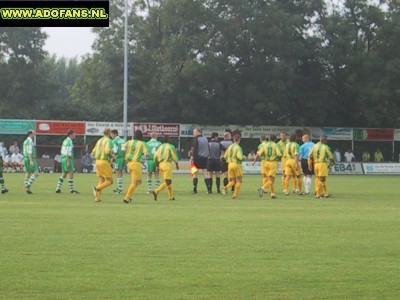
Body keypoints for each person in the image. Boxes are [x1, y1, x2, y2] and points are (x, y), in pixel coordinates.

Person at [123, 130, 148, 204]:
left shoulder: (128, 142)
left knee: (139, 181)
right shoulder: (142, 143)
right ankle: (127, 197)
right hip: (136, 163)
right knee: (135, 182)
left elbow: (122, 149)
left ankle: (129, 195)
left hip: (129, 163)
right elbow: (146, 154)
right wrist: (143, 159)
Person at [254, 134, 282, 199]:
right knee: (271, 180)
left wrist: (254, 161)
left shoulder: (265, 145)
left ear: (269, 139)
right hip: (273, 163)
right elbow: (279, 154)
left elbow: (259, 153)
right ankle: (262, 188)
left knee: (269, 179)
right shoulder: (275, 145)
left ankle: (272, 194)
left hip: (266, 163)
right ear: (275, 139)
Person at [151, 136, 179, 201]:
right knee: (168, 181)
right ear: (169, 140)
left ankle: (171, 197)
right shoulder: (171, 146)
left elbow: (155, 157)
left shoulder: (160, 147)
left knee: (167, 182)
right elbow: (174, 156)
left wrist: (158, 166)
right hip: (167, 164)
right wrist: (176, 164)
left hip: (161, 165)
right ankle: (156, 191)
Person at [92, 128, 114, 202]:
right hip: (104, 161)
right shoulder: (108, 141)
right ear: (109, 133)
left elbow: (93, 151)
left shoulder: (99, 140)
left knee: (101, 179)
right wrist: (113, 157)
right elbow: (107, 151)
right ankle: (96, 188)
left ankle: (97, 198)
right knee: (110, 181)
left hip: (97, 161)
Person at [55, 129, 80, 194]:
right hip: (68, 158)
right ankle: (72, 190)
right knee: (71, 174)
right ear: (71, 134)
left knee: (64, 174)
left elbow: (62, 150)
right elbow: (68, 152)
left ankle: (58, 188)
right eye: (74, 134)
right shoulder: (69, 142)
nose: (75, 135)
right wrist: (68, 161)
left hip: (63, 158)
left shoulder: (65, 141)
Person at [222, 134, 244, 199]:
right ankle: (235, 195)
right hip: (236, 164)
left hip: (230, 164)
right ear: (239, 140)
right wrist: (243, 157)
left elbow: (225, 156)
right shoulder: (238, 147)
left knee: (232, 181)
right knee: (239, 180)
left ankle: (225, 187)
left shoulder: (230, 147)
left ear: (233, 140)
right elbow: (239, 157)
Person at [190, 128, 210, 194]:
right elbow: (208, 148)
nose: (193, 133)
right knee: (205, 173)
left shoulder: (196, 139)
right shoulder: (205, 139)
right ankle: (209, 189)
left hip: (197, 158)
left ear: (198, 132)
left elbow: (195, 149)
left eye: (194, 132)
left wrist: (192, 157)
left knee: (195, 173)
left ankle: (194, 189)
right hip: (205, 158)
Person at [110, 130, 126, 194]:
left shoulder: (114, 141)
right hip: (123, 157)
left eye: (111, 134)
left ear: (115, 134)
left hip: (118, 158)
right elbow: (124, 149)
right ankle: (120, 188)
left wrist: (113, 157)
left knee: (118, 172)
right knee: (120, 172)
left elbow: (115, 150)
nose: (111, 136)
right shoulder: (123, 140)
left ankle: (120, 189)